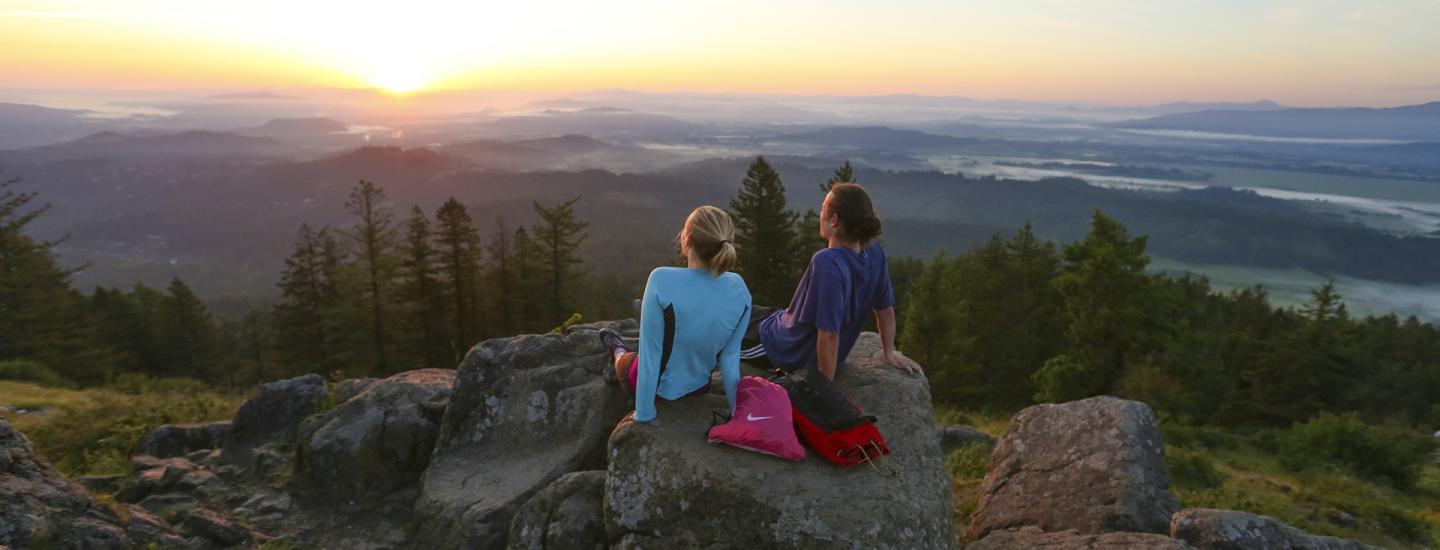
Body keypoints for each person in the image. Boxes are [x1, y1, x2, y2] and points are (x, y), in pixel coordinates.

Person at [740, 183, 921, 380]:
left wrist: (825, 388)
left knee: (719, 328)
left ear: (833, 220)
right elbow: (885, 309)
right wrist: (889, 350)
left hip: (781, 349)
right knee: (742, 309)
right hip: (782, 323)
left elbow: (828, 335)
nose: (820, 214)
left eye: (823, 208)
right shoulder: (873, 252)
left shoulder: (827, 262)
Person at [597, 206, 752, 423]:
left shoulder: (661, 280)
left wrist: (644, 413)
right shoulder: (740, 288)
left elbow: (651, 356)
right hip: (700, 387)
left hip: (659, 389)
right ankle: (644, 312)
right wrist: (738, 410)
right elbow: (729, 356)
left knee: (626, 360)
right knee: (664, 322)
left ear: (687, 240)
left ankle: (615, 347)